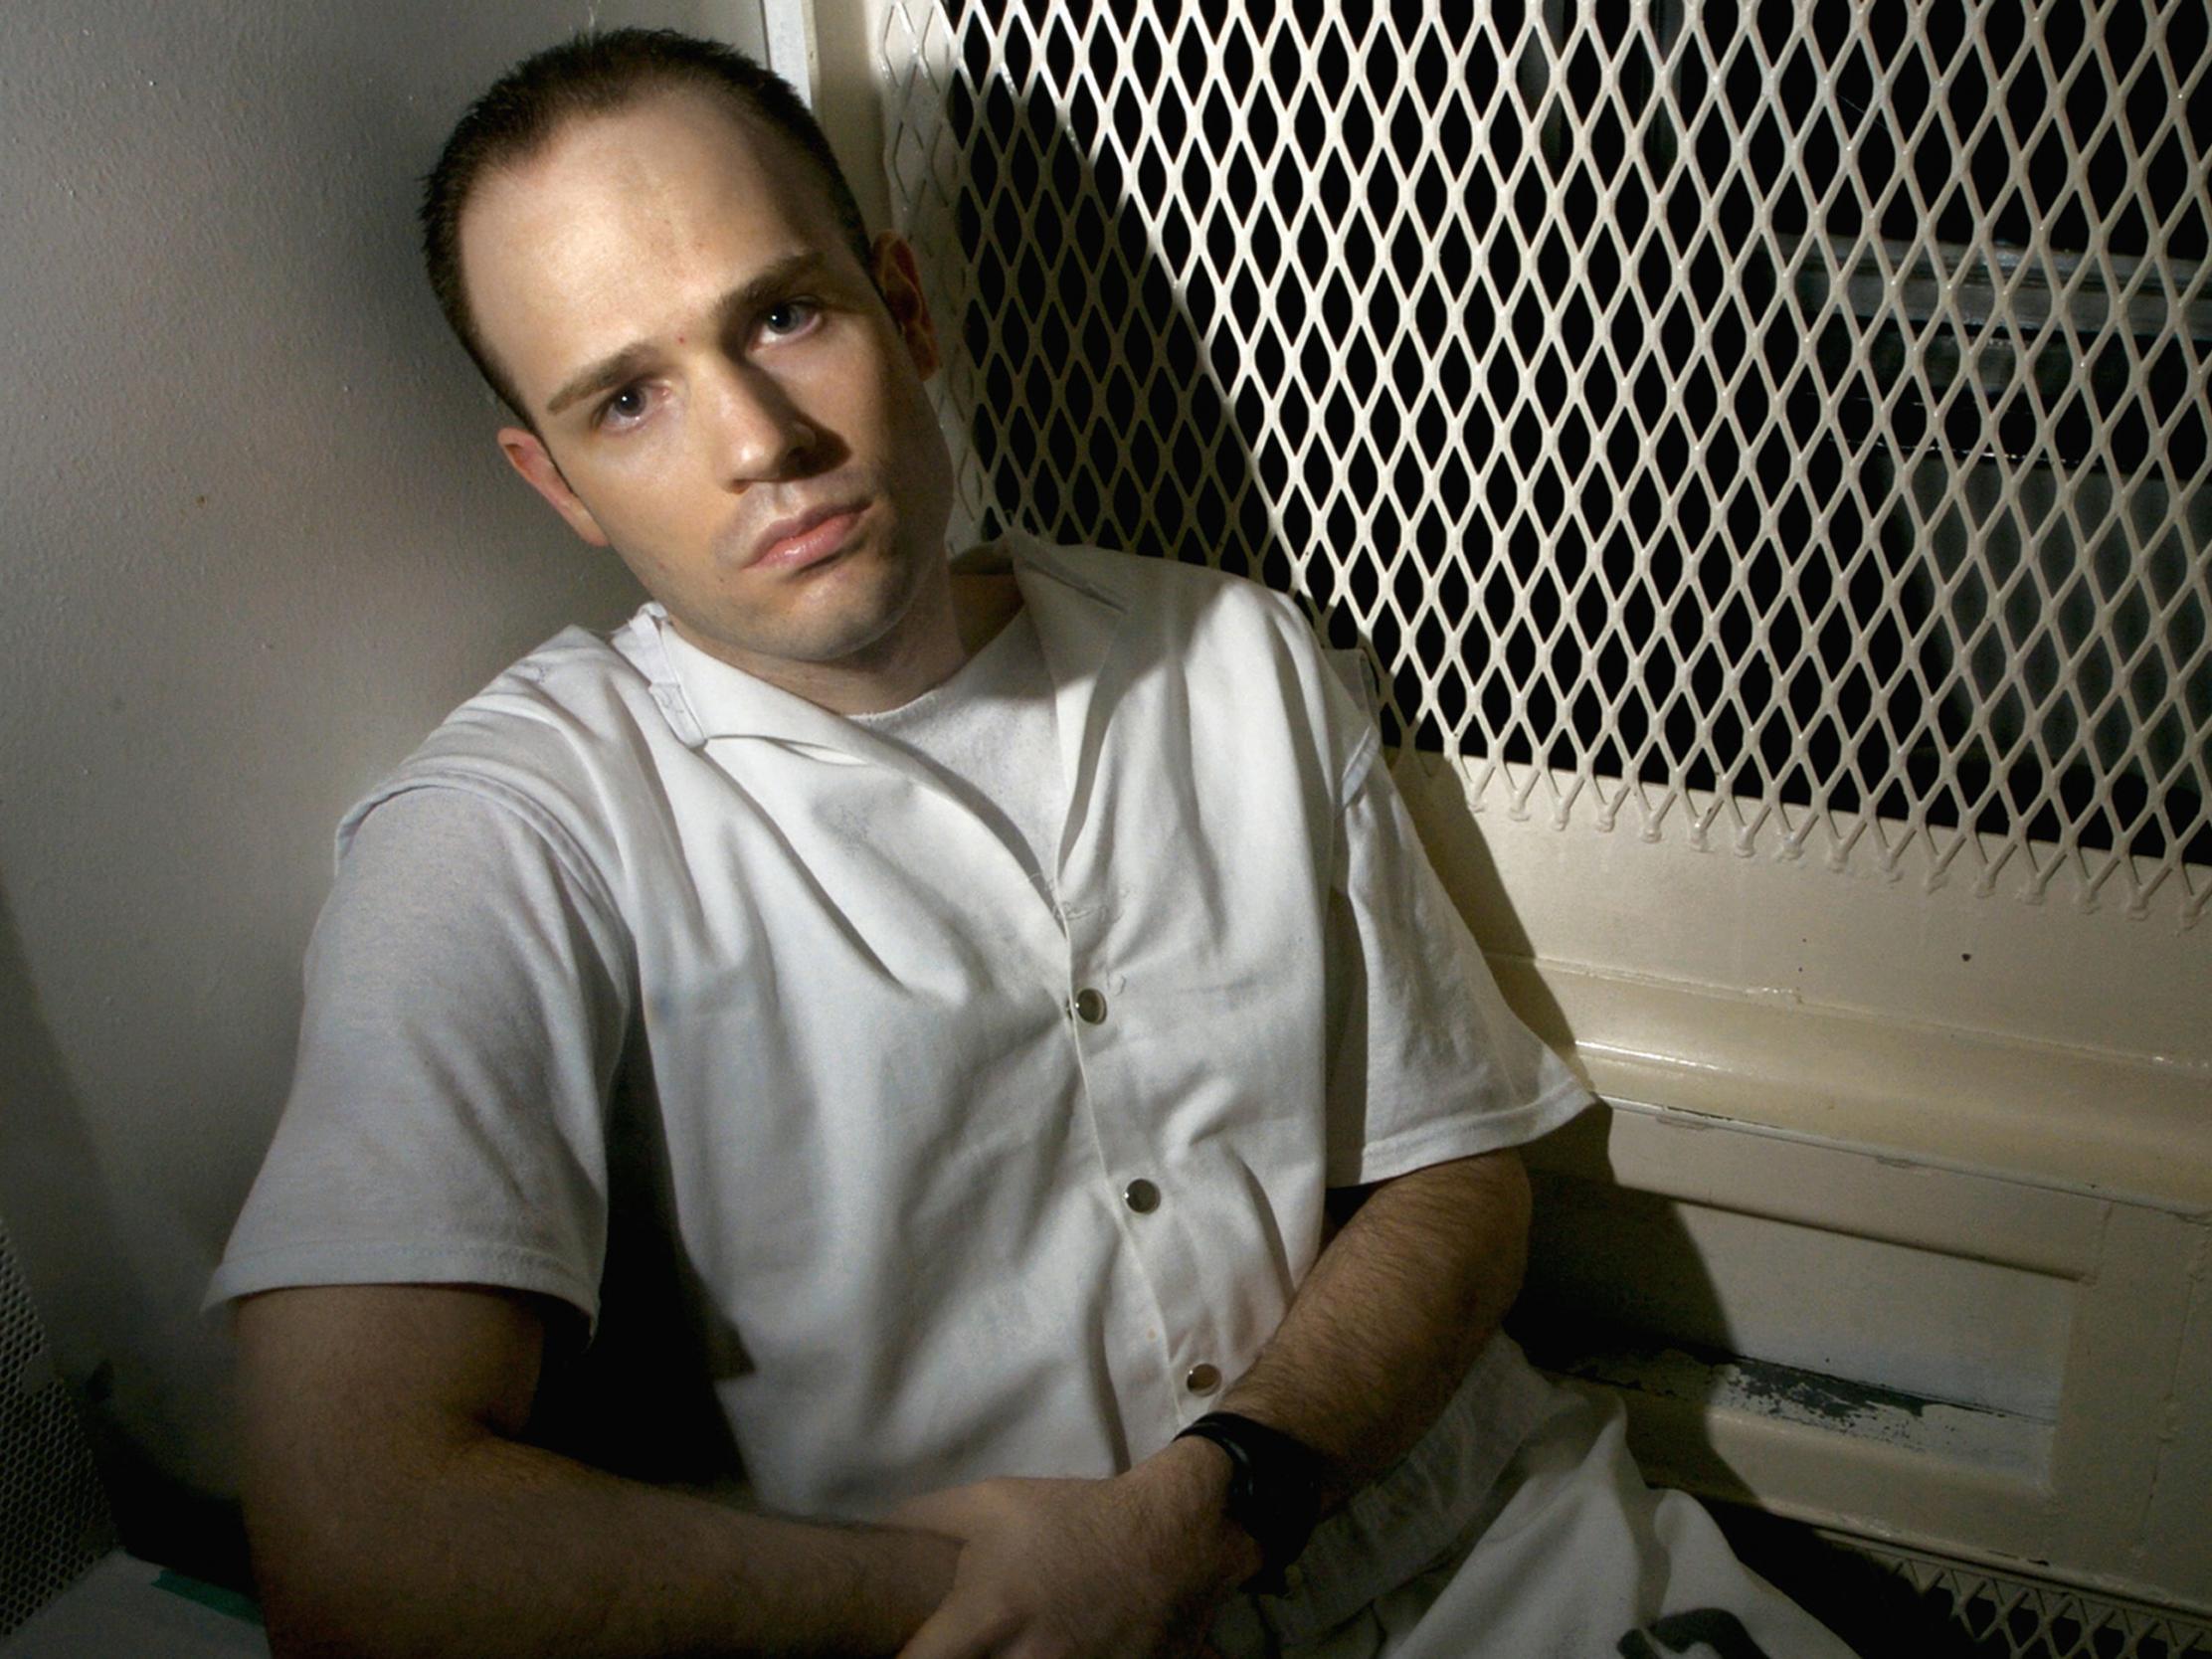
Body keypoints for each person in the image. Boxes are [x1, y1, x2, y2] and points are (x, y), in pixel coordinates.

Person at [210, 28, 1855, 1659]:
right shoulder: (511, 842)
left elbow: (1455, 1175)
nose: (755, 439)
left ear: (905, 309)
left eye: (784, 314)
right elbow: (361, 1548)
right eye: (627, 399)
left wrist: (1206, 1515)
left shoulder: (1231, 655)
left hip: (1490, 1551)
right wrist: (1040, 1601)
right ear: (556, 484)